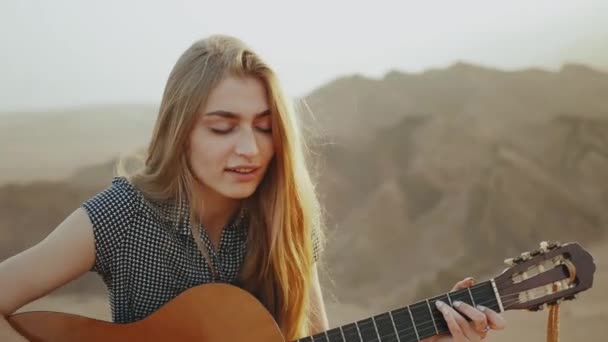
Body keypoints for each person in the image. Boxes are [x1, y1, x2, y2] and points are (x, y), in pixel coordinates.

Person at [0, 34, 506, 341]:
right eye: (223, 127)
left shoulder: (285, 224)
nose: (250, 149)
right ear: (181, 132)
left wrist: (435, 334)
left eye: (265, 127)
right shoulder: (122, 216)